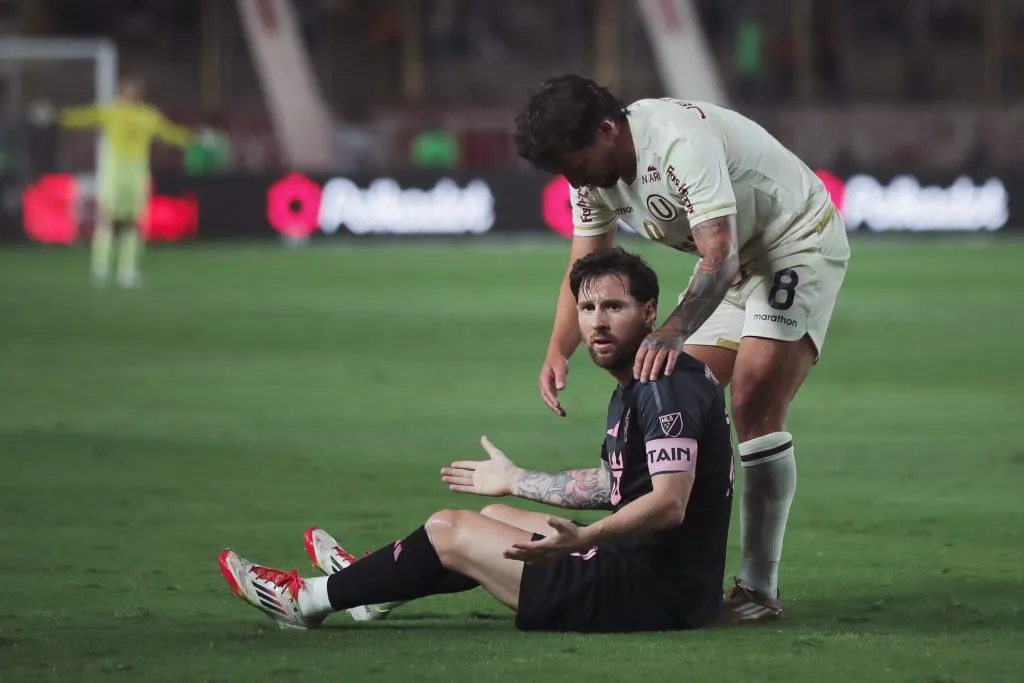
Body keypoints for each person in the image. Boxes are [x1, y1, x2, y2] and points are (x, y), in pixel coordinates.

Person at [218, 247, 734, 633]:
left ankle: (307, 600)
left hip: (649, 593)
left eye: (613, 307)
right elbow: (615, 483)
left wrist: (586, 538)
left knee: (449, 529)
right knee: (494, 516)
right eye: (587, 308)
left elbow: (669, 504)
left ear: (650, 312)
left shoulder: (663, 383)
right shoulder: (640, 383)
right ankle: (374, 589)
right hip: (657, 574)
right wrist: (516, 480)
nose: (596, 322)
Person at [513, 75, 851, 621]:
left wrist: (670, 329)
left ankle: (758, 590)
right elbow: (585, 270)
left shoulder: (675, 141)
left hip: (793, 242)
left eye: (574, 163)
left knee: (752, 399)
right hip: (730, 266)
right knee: (674, 390)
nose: (572, 180)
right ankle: (668, 566)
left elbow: (721, 256)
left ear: (607, 129)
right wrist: (558, 349)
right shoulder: (591, 177)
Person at [59, 75, 193, 288]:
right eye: (128, 90)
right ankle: (101, 269)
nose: (131, 94)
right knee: (107, 220)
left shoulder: (148, 115)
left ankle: (127, 271)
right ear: (121, 92)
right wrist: (59, 117)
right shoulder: (111, 112)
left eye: (135, 90)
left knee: (133, 223)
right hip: (114, 172)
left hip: (137, 173)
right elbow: (83, 117)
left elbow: (169, 133)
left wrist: (192, 138)